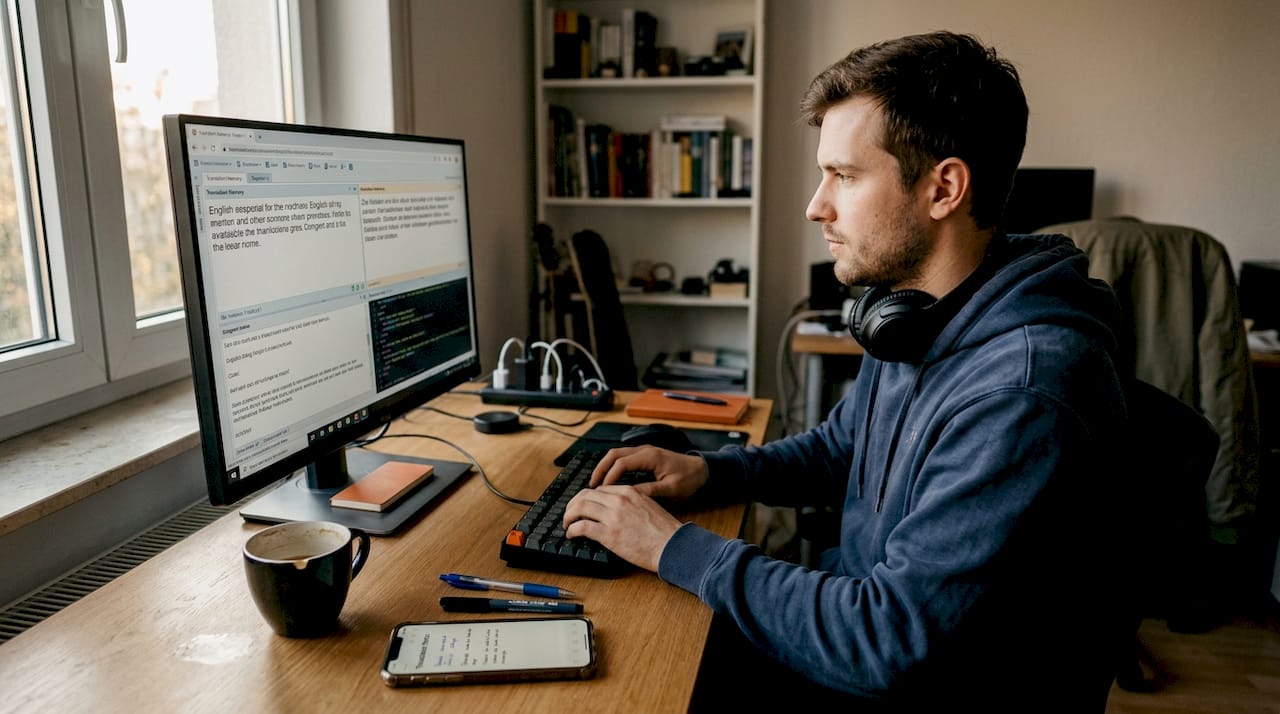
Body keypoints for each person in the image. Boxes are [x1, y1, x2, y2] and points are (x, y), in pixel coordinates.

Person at [564, 30, 1130, 710]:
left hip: (909, 680)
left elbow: (885, 640)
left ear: (944, 188)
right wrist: (714, 472)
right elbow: (842, 446)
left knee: (628, 674)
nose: (816, 205)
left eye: (845, 175)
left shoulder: (1022, 391)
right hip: (861, 627)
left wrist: (676, 548)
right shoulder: (923, 315)